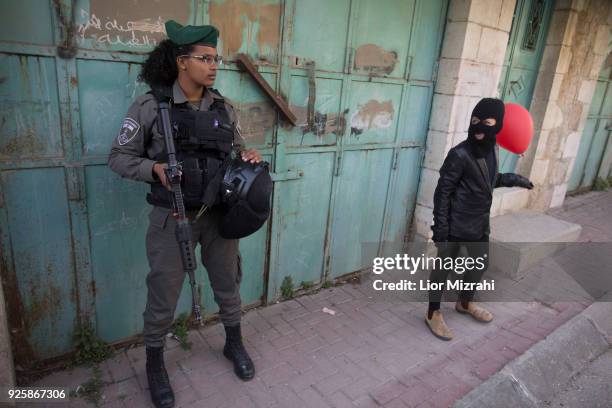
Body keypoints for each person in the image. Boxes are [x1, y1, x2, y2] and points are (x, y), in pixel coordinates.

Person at [108, 21, 261, 408]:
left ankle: (233, 343)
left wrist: (248, 157)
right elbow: (119, 158)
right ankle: (155, 363)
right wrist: (154, 170)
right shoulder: (150, 106)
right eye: (205, 59)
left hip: (218, 217)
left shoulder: (223, 107)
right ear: (181, 62)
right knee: (163, 295)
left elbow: (237, 149)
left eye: (216, 59)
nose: (213, 67)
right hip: (171, 219)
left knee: (228, 283)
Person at [426, 98, 534, 341]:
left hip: (479, 223)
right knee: (443, 270)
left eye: (486, 123)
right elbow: (442, 194)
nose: (478, 128)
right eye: (474, 122)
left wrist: (516, 180)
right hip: (454, 225)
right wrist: (440, 231)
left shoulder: (492, 149)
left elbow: (489, 179)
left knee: (479, 265)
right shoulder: (459, 154)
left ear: (497, 126)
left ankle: (464, 303)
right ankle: (433, 313)